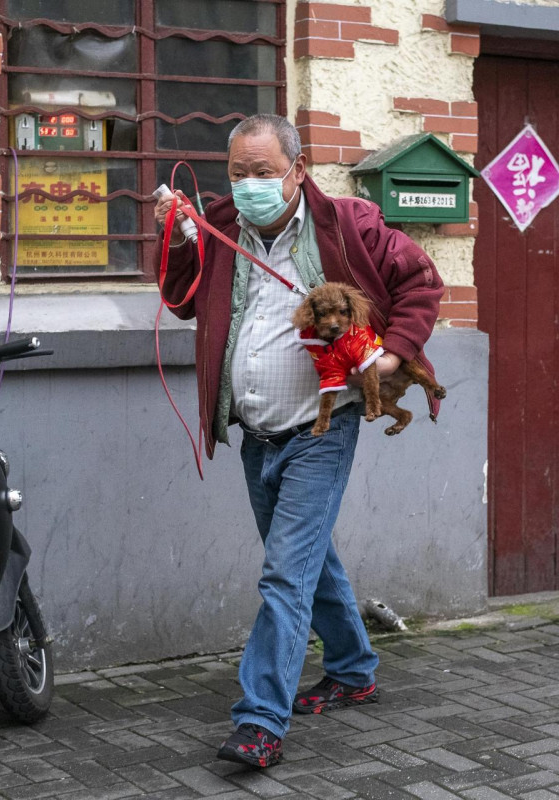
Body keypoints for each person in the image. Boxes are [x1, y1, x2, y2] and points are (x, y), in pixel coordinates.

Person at [154, 114, 443, 768]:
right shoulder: (223, 227)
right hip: (256, 429)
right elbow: (183, 299)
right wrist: (176, 239)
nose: (249, 185)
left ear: (297, 169)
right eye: (237, 173)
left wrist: (395, 356)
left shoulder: (347, 224)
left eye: (263, 172)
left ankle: (259, 721)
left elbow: (419, 281)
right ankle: (352, 666)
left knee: (285, 572)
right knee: (309, 557)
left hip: (323, 426)